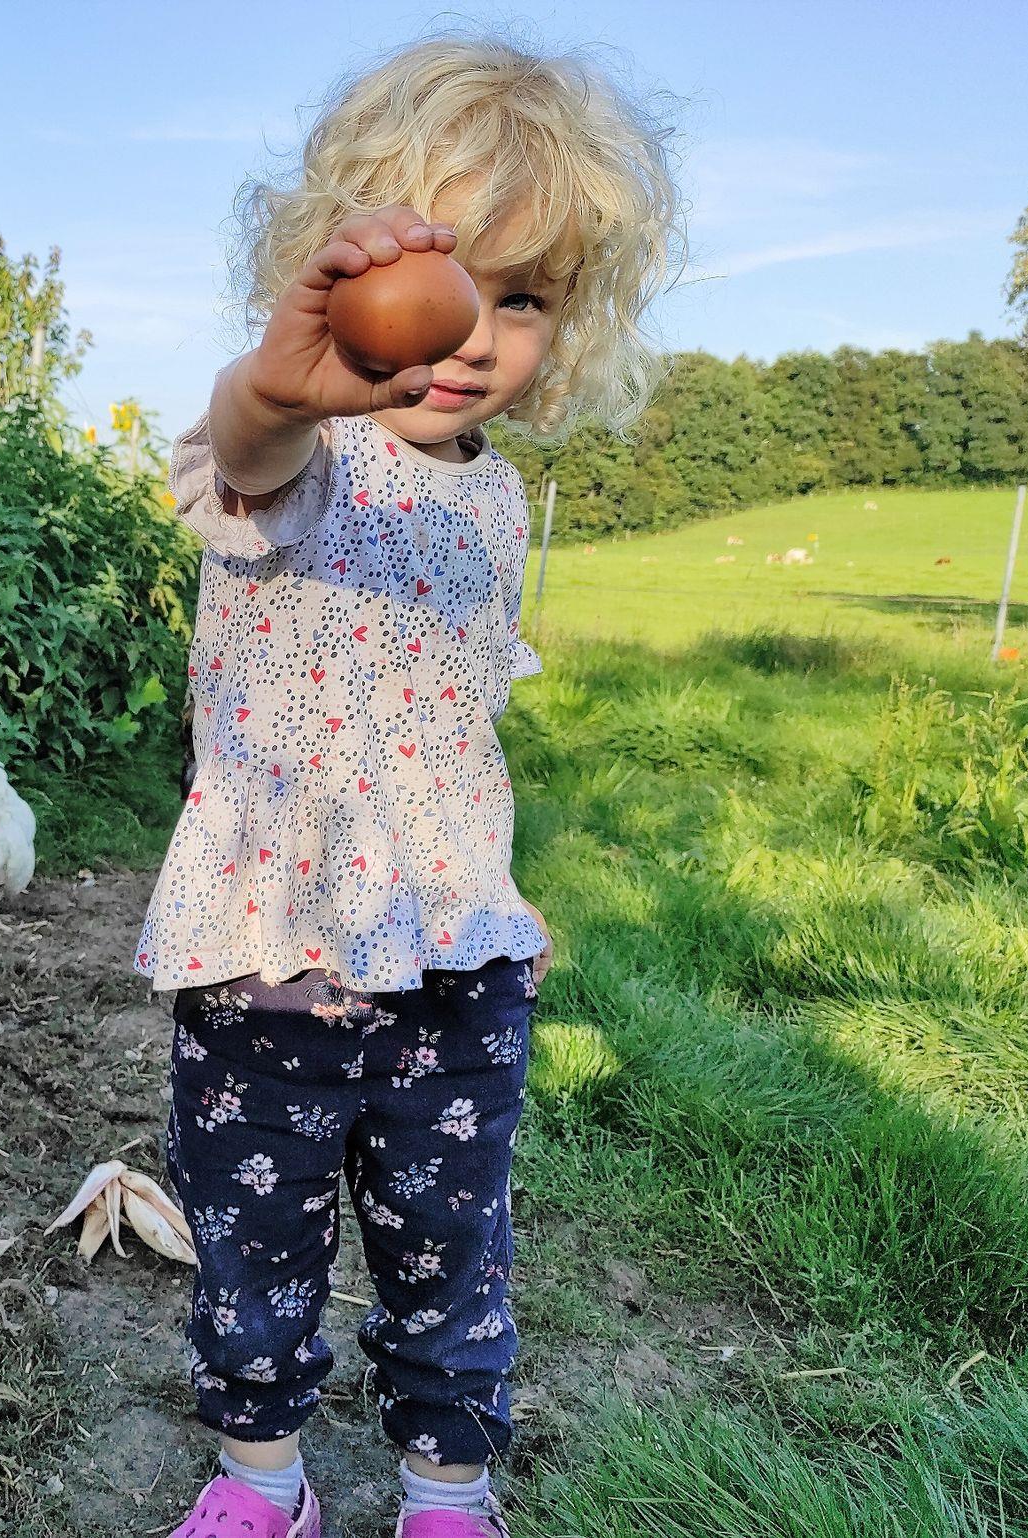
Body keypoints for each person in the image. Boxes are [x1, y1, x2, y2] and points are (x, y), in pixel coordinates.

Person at [135, 34, 683, 1538]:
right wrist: (281, 381)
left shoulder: (497, 496)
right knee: (255, 1250)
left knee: (454, 1249)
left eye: (527, 296)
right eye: (446, 278)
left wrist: (495, 886)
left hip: (451, 957)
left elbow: (450, 731)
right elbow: (245, 455)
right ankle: (263, 1486)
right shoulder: (305, 455)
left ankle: (448, 1492)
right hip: (272, 953)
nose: (473, 332)